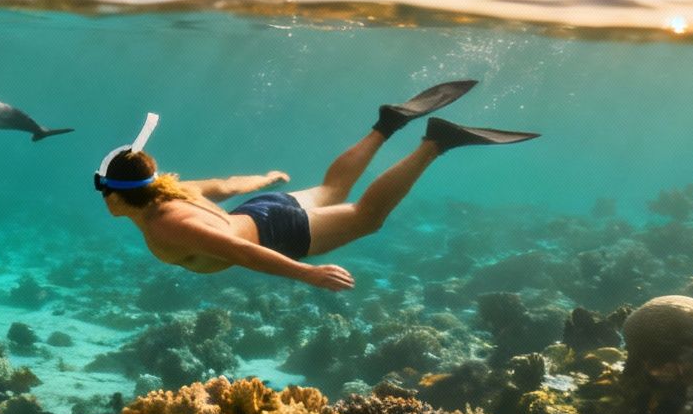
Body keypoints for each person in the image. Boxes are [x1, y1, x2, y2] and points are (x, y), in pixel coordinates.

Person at [93, 83, 536, 291]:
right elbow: (227, 185)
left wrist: (307, 273)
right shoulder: (172, 188)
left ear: (116, 195)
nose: (103, 201)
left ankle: (434, 143)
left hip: (277, 233)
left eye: (102, 192)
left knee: (367, 217)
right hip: (263, 207)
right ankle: (387, 123)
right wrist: (266, 180)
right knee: (333, 186)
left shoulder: (165, 224)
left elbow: (241, 253)